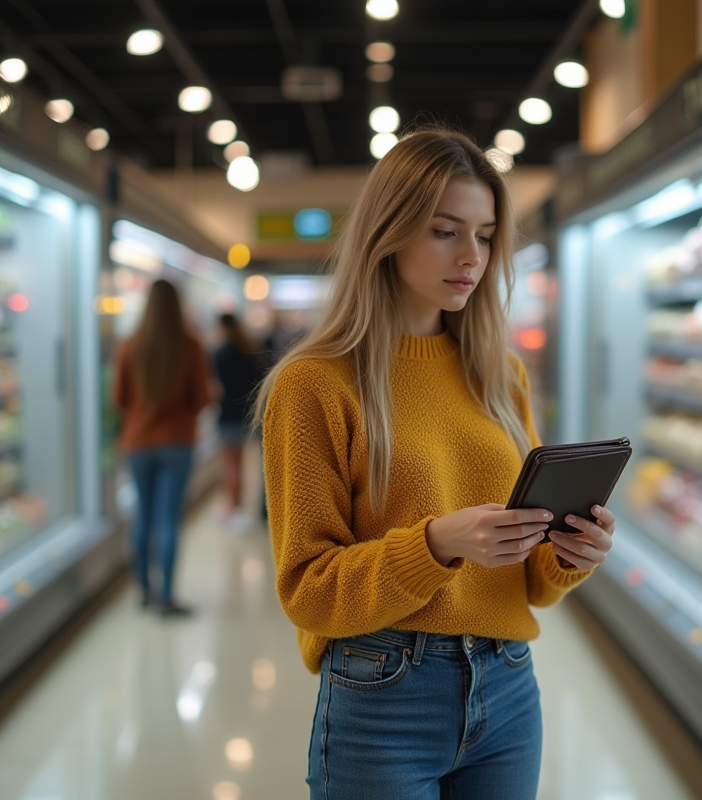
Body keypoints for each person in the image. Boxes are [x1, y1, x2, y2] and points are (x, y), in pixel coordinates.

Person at [253, 128, 615, 799]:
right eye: (446, 231)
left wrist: (571, 552)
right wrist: (435, 544)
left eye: (484, 235)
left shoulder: (499, 375)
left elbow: (533, 580)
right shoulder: (315, 384)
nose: (470, 256)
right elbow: (307, 587)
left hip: (507, 686)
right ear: (389, 232)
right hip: (382, 690)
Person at [113, 279, 211, 616]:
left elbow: (119, 399)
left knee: (143, 516)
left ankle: (143, 590)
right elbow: (201, 398)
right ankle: (166, 597)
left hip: (138, 442)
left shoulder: (130, 346)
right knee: (169, 519)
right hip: (177, 442)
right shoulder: (191, 346)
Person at [212, 313, 266, 530]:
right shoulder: (249, 350)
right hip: (246, 415)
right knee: (242, 464)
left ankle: (234, 508)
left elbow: (214, 386)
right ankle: (239, 508)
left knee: (230, 465)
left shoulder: (219, 354)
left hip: (226, 415)